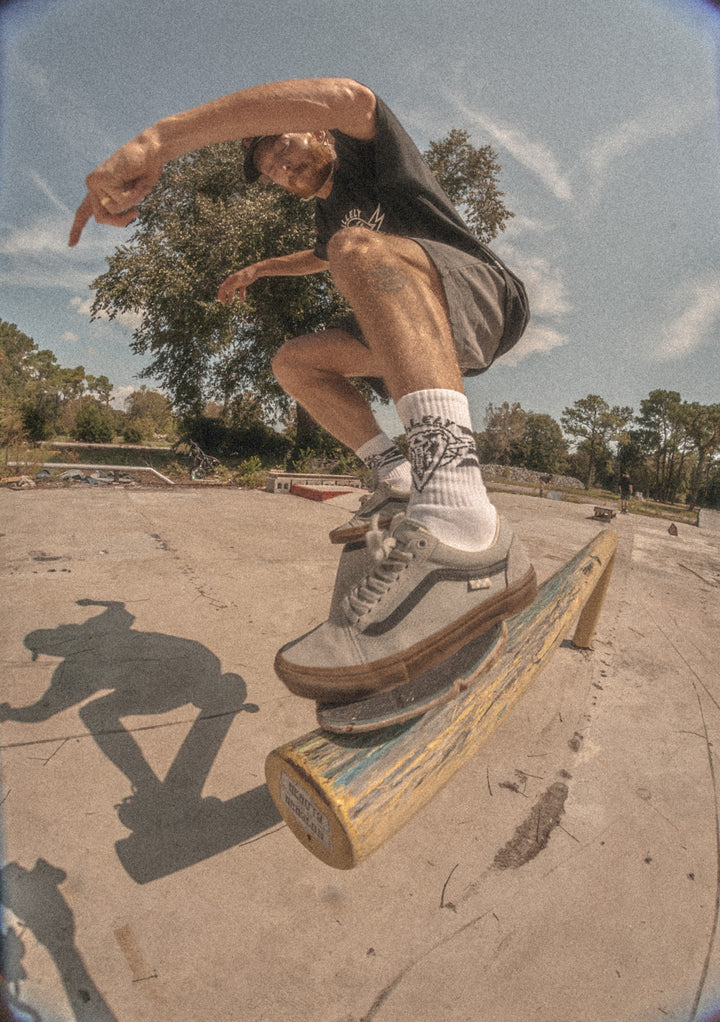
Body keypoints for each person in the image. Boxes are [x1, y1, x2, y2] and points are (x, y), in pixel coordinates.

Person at [69, 76, 537, 704]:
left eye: (283, 146)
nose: (281, 166)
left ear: (316, 130)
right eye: (268, 168)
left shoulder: (371, 157)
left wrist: (158, 142)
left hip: (476, 293)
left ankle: (463, 517)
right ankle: (395, 475)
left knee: (358, 250)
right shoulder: (327, 215)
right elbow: (320, 254)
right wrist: (262, 267)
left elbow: (351, 96)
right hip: (416, 329)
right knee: (293, 362)